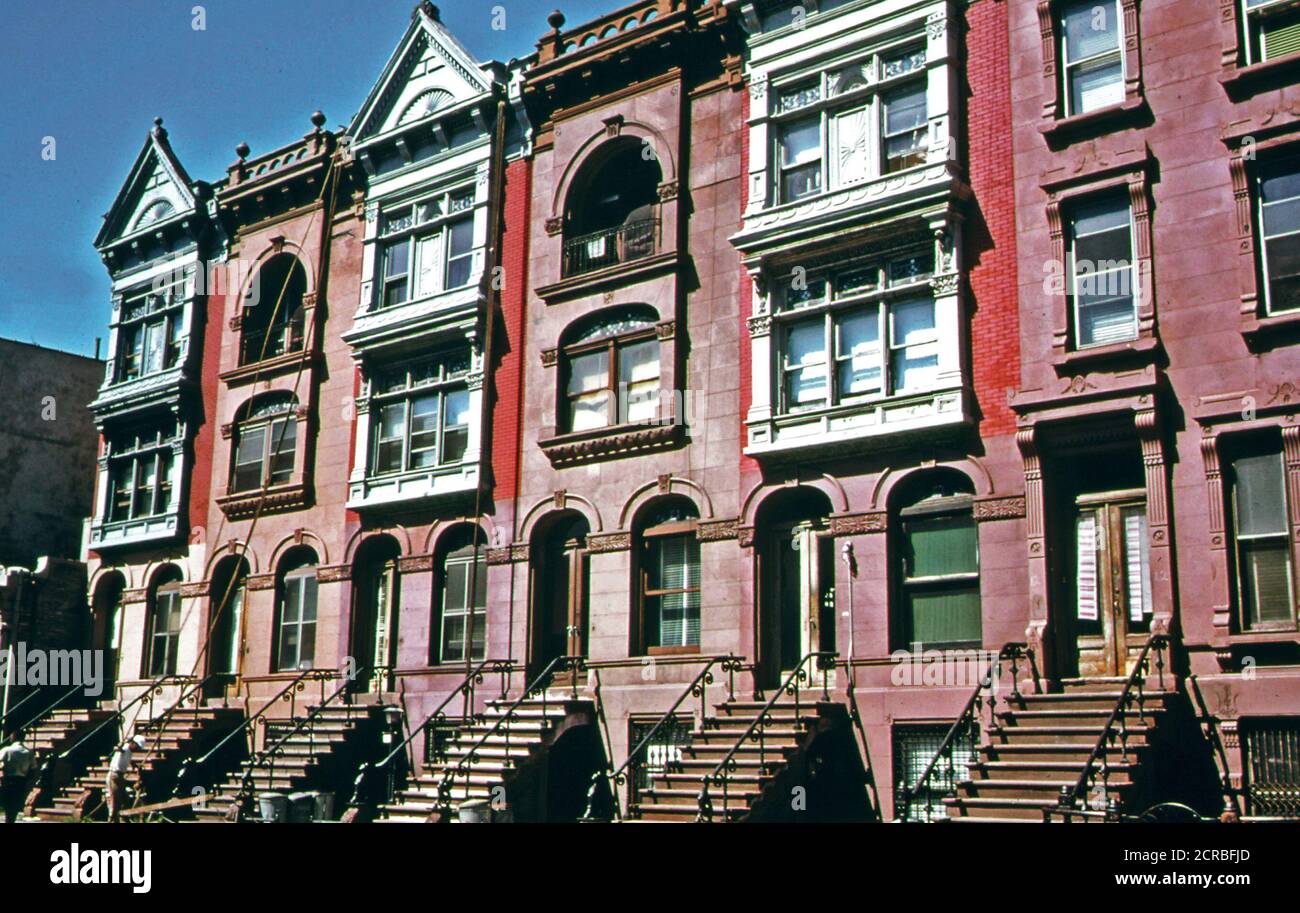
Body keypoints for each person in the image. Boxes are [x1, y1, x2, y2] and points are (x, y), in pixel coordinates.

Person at [105, 734, 146, 823]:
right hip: (114, 776)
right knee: (115, 802)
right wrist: (118, 748)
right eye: (137, 747)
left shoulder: (130, 751)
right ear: (133, 743)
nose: (137, 749)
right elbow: (120, 750)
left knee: (125, 800)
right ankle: (112, 820)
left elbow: (127, 757)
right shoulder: (126, 747)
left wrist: (134, 764)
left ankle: (124, 820)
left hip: (120, 777)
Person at [0, 732, 36, 824]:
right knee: (15, 804)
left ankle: (9, 820)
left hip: (8, 779)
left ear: (13, 737)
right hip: (21, 780)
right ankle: (11, 820)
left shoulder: (7, 750)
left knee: (7, 803)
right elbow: (33, 768)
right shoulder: (28, 752)